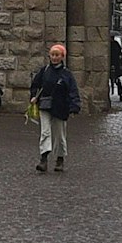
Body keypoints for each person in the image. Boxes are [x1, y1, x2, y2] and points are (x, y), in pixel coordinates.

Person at [29, 42, 81, 173]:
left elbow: (73, 90)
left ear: (62, 56)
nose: (54, 57)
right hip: (45, 105)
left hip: (60, 106)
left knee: (60, 134)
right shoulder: (44, 71)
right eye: (52, 54)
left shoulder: (66, 74)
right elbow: (35, 85)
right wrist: (34, 96)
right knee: (45, 132)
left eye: (57, 55)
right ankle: (44, 158)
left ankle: (60, 159)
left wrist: (74, 106)